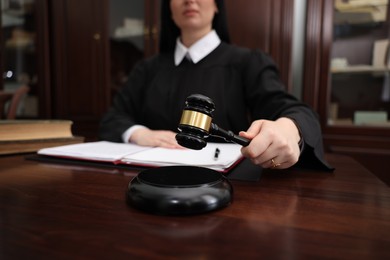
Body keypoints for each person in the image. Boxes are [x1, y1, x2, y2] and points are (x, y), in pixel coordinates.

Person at [99, 0, 333, 171]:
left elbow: (296, 112)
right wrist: (140, 133)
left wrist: (289, 130)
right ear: (169, 9)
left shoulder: (248, 62)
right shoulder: (147, 69)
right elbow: (113, 118)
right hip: (146, 179)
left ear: (217, 5)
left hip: (227, 186)